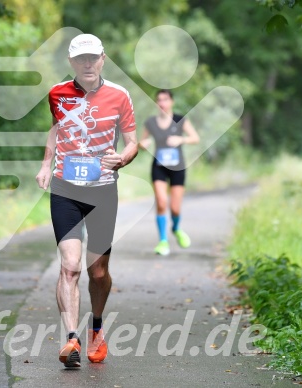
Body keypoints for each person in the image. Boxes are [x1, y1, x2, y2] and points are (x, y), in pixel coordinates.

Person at [36, 33, 138, 368]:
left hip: (102, 190)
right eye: (81, 59)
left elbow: (133, 141)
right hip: (66, 188)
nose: (88, 63)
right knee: (69, 265)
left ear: (103, 59)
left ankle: (96, 327)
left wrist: (123, 158)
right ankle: (71, 340)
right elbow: (55, 128)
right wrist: (45, 165)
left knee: (97, 272)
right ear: (72, 62)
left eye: (93, 58)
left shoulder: (120, 96)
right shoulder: (57, 93)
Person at [139, 89, 199, 256]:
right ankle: (163, 241)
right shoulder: (150, 122)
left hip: (177, 167)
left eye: (165, 99)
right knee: (161, 201)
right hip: (159, 166)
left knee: (175, 208)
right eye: (159, 100)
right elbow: (141, 143)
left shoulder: (180, 120)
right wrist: (143, 145)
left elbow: (195, 138)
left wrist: (182, 139)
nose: (162, 103)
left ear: (171, 101)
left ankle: (176, 228)